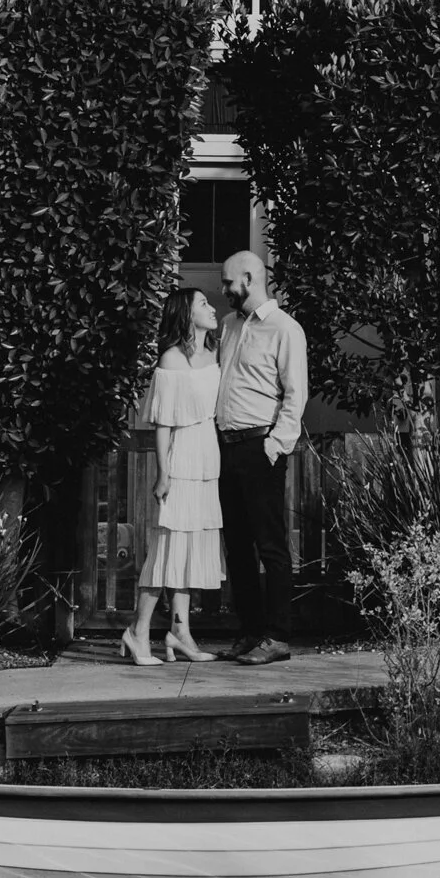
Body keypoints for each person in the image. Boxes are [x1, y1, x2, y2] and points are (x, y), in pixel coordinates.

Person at [122, 285, 224, 665]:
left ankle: (180, 632)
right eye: (203, 304)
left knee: (190, 548)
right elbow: (163, 422)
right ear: (186, 313)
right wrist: (163, 473)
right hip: (181, 459)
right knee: (167, 547)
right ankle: (138, 632)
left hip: (208, 457)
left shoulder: (214, 353)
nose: (212, 309)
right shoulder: (171, 359)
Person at [214, 250, 308, 661]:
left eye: (228, 281)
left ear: (249, 279)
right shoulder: (228, 325)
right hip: (226, 447)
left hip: (260, 446)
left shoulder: (285, 328)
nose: (223, 288)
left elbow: (295, 394)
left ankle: (278, 637)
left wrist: (274, 445)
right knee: (237, 546)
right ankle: (250, 632)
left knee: (270, 544)